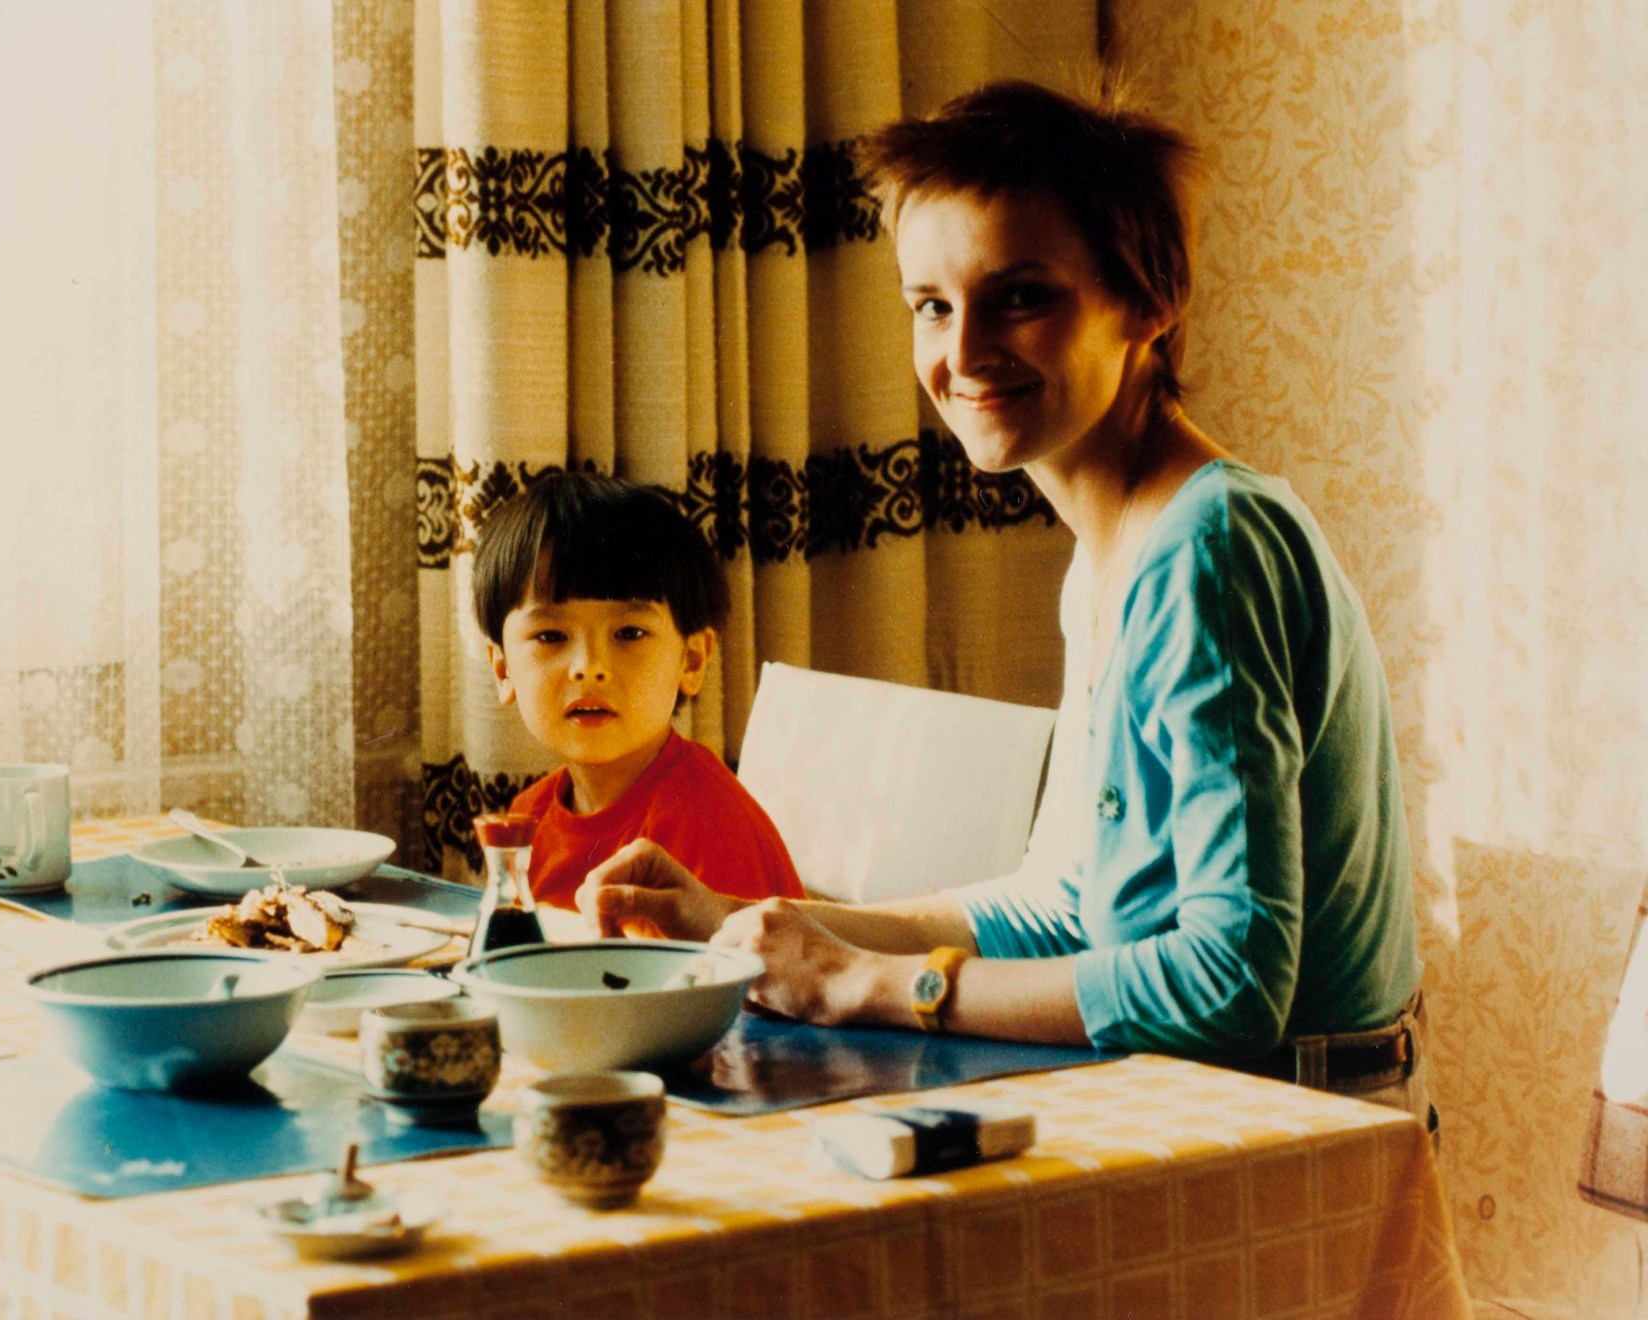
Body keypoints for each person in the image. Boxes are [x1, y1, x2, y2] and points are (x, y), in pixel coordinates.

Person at [575, 81, 1431, 1121]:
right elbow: (1063, 903)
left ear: (1150, 304)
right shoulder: (1112, 557)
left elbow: (1230, 983)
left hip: (1292, 1139)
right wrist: (762, 921)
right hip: (1201, 1110)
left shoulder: (1205, 553)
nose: (964, 352)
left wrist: (872, 984)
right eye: (931, 305)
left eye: (1019, 296)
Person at [472, 471, 805, 911]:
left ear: (692, 660)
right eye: (551, 636)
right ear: (503, 669)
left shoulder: (710, 827)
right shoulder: (529, 816)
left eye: (628, 632)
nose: (588, 668)